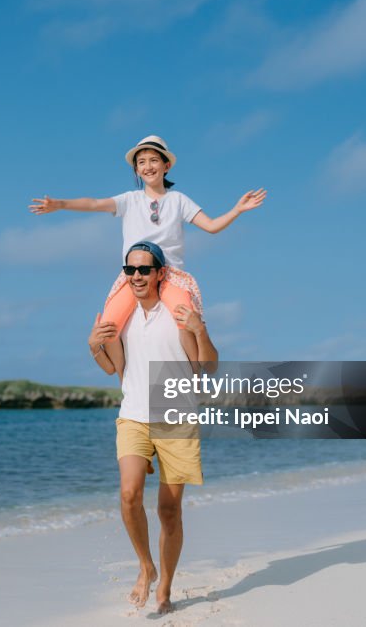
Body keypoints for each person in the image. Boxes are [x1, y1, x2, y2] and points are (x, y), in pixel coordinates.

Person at [88, 240, 219, 615]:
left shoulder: (177, 313)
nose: (137, 277)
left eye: (144, 269)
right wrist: (93, 346)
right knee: (129, 495)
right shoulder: (123, 318)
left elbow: (208, 368)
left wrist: (200, 330)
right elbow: (113, 368)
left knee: (169, 511)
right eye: (130, 270)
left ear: (160, 273)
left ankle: (165, 587)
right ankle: (146, 565)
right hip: (133, 414)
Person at [31, 134, 265, 339]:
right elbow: (94, 203)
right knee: (108, 328)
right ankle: (126, 381)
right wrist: (60, 204)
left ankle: (193, 378)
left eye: (154, 160)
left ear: (166, 166)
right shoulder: (129, 200)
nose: (148, 166)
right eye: (141, 162)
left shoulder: (178, 200)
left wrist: (237, 210)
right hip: (134, 275)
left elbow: (212, 226)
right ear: (136, 170)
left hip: (170, 275)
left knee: (188, 322)